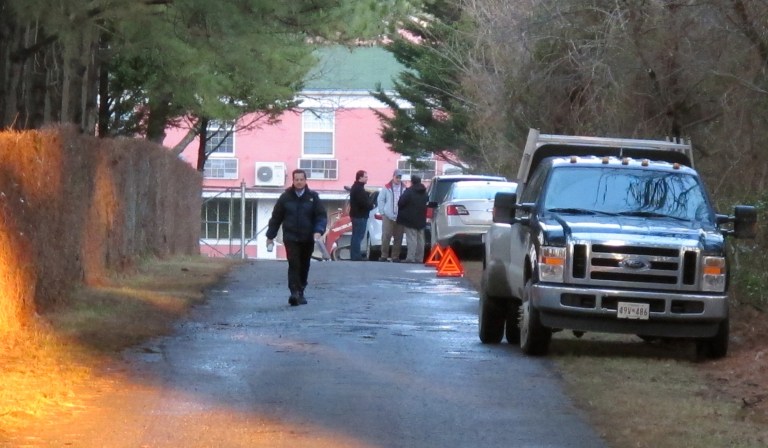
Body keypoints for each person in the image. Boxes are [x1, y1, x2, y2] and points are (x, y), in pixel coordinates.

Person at [266, 169, 327, 306]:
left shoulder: (313, 197)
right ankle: (294, 292)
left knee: (304, 265)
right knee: (294, 264)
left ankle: (301, 290)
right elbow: (276, 218)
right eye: (296, 179)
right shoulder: (285, 197)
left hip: (307, 238)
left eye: (301, 179)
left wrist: (318, 231)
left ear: (305, 181)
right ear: (293, 180)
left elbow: (321, 216)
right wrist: (270, 236)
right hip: (291, 237)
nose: (299, 182)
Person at [397, 174, 428, 263]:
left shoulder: (409, 191)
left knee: (411, 238)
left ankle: (410, 257)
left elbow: (401, 203)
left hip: (409, 218)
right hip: (421, 218)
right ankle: (419, 258)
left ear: (412, 181)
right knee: (420, 239)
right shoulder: (424, 192)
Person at [377, 169, 406, 262]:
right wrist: (382, 212)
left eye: (400, 177)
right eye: (397, 177)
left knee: (399, 237)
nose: (398, 179)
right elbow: (380, 200)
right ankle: (384, 255)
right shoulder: (386, 188)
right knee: (386, 236)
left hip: (400, 216)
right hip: (388, 215)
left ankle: (395, 256)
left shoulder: (404, 188)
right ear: (393, 177)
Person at [349, 170, 374, 261]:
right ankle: (356, 256)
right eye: (365, 177)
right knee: (358, 236)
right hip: (360, 216)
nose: (367, 178)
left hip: (357, 215)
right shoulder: (359, 189)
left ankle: (354, 255)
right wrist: (372, 204)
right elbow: (364, 203)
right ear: (360, 177)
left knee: (356, 235)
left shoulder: (356, 187)